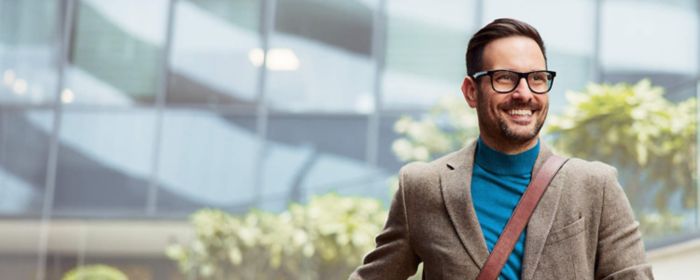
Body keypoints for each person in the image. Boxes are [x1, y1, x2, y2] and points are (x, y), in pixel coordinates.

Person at [349, 18, 653, 279]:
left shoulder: (594, 186)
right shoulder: (422, 188)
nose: (525, 94)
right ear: (471, 91)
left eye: (537, 79)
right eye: (505, 78)